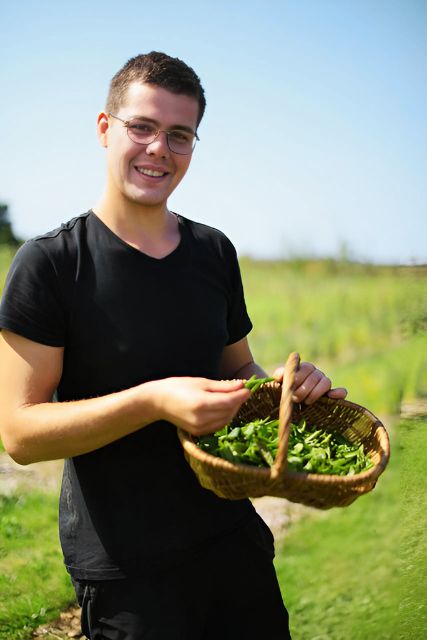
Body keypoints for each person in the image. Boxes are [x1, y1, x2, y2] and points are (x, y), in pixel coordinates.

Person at [0, 52, 346, 639]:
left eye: (179, 135)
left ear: (192, 146)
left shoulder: (213, 252)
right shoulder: (52, 264)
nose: (160, 148)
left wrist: (284, 392)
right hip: (128, 572)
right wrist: (154, 401)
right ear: (106, 129)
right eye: (142, 127)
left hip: (232, 541)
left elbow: (239, 368)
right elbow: (19, 433)